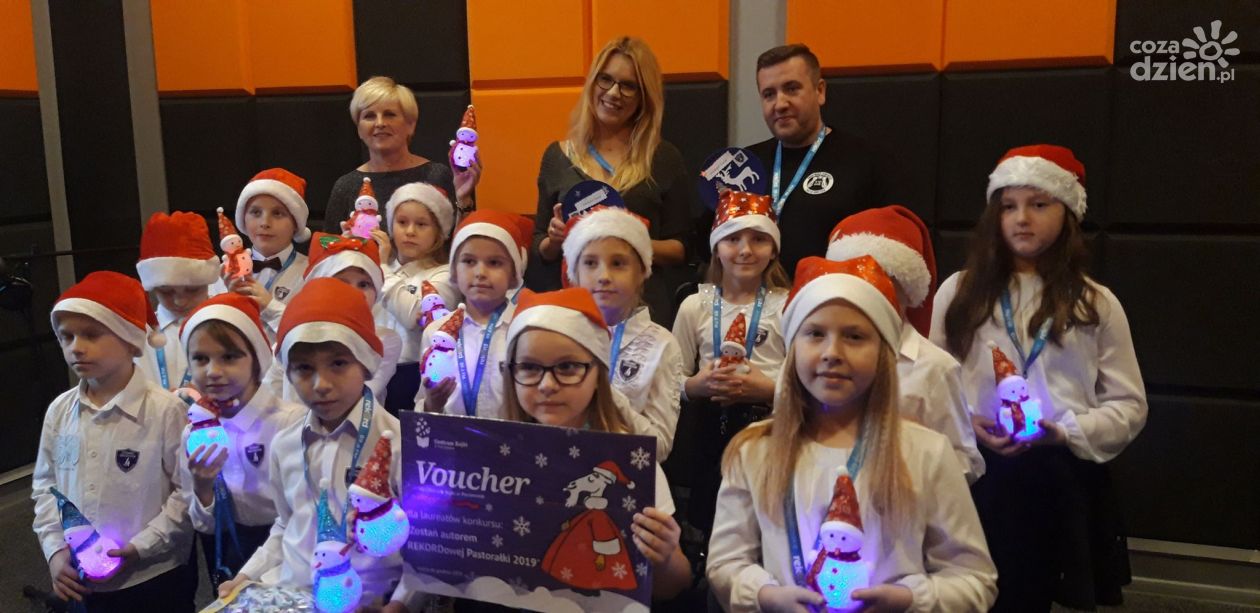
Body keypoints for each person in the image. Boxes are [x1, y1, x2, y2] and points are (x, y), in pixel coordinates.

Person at [707, 257, 997, 612]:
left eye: (854, 336)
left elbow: (974, 578)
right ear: (793, 348)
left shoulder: (927, 452)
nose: (832, 352)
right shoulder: (755, 450)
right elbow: (725, 563)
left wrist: (908, 599)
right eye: (815, 334)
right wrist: (767, 596)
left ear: (884, 354)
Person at [931, 144, 1147, 611]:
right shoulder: (958, 292)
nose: (1021, 218)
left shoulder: (1095, 302)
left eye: (1039, 204)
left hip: (1058, 474)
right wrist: (969, 421)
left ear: (1067, 213)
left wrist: (1065, 430)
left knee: (1032, 593)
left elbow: (1129, 405)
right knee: (969, 592)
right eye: (1008, 206)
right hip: (977, 472)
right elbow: (933, 385)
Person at [219, 279, 423, 610]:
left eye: (338, 363)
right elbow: (287, 524)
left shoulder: (401, 443)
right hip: (292, 597)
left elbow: (423, 546)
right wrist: (246, 575)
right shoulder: (285, 443)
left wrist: (400, 604)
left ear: (366, 362)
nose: (321, 384)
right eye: (304, 368)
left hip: (367, 602)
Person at [501, 288, 692, 601]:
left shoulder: (631, 461)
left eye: (567, 367)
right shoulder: (495, 454)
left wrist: (666, 557)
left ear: (598, 374)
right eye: (530, 367)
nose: (547, 385)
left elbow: (673, 585)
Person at [32, 271, 196, 611]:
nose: (76, 347)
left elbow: (186, 494)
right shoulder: (59, 411)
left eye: (91, 334)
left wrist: (140, 547)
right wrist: (55, 551)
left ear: (131, 342)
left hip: (154, 577)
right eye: (66, 337)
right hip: (81, 579)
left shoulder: (165, 411)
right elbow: (46, 487)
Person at [530, 36, 699, 327]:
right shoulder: (557, 156)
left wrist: (626, 239)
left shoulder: (663, 158)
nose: (613, 92)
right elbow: (538, 245)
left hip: (643, 315)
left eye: (628, 85)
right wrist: (554, 240)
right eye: (605, 79)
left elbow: (682, 248)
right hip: (575, 314)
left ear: (644, 96)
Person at [826, 205, 983, 483]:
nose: (868, 293)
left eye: (883, 281)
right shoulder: (823, 355)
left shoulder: (935, 367)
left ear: (909, 289)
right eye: (856, 280)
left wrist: (917, 450)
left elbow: (966, 462)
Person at [671, 190, 789, 538]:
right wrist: (696, 385)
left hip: (771, 431)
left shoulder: (788, 306)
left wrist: (768, 390)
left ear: (774, 249)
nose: (745, 250)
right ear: (716, 247)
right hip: (708, 431)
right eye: (733, 239)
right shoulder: (695, 305)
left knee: (763, 521)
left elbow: (805, 382)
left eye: (759, 239)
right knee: (709, 520)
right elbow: (669, 378)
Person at [744, 44, 902, 277]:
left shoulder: (868, 162)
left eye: (791, 89)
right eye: (769, 94)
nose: (780, 104)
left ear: (820, 91)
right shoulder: (746, 166)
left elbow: (895, 254)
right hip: (758, 299)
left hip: (835, 297)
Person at [179, 293, 303, 588]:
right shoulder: (194, 432)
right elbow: (204, 525)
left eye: (229, 357)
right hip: (229, 551)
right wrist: (202, 486)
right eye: (200, 358)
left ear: (257, 360)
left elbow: (303, 512)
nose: (213, 371)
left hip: (287, 551)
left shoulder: (289, 422)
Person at [562, 205, 685, 459]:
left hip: (624, 474)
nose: (604, 276)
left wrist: (606, 394)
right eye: (590, 263)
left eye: (618, 263)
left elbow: (660, 446)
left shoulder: (662, 345)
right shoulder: (559, 336)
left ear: (642, 272)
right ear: (574, 273)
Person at [260, 232, 402, 404]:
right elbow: (270, 400)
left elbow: (356, 396)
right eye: (341, 283)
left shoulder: (385, 340)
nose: (354, 293)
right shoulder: (290, 341)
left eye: (364, 284)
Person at [324, 76, 478, 234]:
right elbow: (326, 246)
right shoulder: (345, 186)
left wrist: (463, 198)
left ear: (410, 125)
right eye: (369, 116)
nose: (379, 123)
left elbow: (459, 245)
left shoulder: (437, 176)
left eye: (389, 114)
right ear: (359, 129)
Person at [420, 210, 532, 417]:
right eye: (469, 261)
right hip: (451, 436)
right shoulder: (435, 332)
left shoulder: (525, 329)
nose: (480, 273)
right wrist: (432, 404)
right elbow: (422, 405)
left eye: (494, 263)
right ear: (454, 270)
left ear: (514, 273)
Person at [377, 182, 461, 416]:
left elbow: (412, 315)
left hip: (412, 373)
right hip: (374, 371)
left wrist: (381, 268)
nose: (410, 231)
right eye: (402, 222)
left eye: (421, 224)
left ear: (439, 233)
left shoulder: (445, 275)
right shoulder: (379, 269)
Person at [135, 211, 224, 392]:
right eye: (166, 291)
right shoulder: (138, 334)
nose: (180, 301)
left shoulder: (229, 326)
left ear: (208, 282)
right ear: (153, 287)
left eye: (192, 290)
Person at [224, 168, 313, 340]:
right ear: (243, 218)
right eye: (256, 212)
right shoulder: (223, 273)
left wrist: (269, 306)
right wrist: (228, 302)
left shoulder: (312, 273)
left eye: (277, 213)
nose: (265, 223)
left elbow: (314, 335)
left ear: (296, 223)